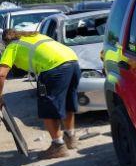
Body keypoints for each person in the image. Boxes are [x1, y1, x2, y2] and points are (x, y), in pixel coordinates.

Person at [0, 29, 81, 159]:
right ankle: (70, 138)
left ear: (6, 41)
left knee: (47, 107)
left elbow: (1, 74)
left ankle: (58, 146)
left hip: (53, 68)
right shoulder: (36, 36)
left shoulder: (12, 46)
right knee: (67, 102)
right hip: (73, 62)